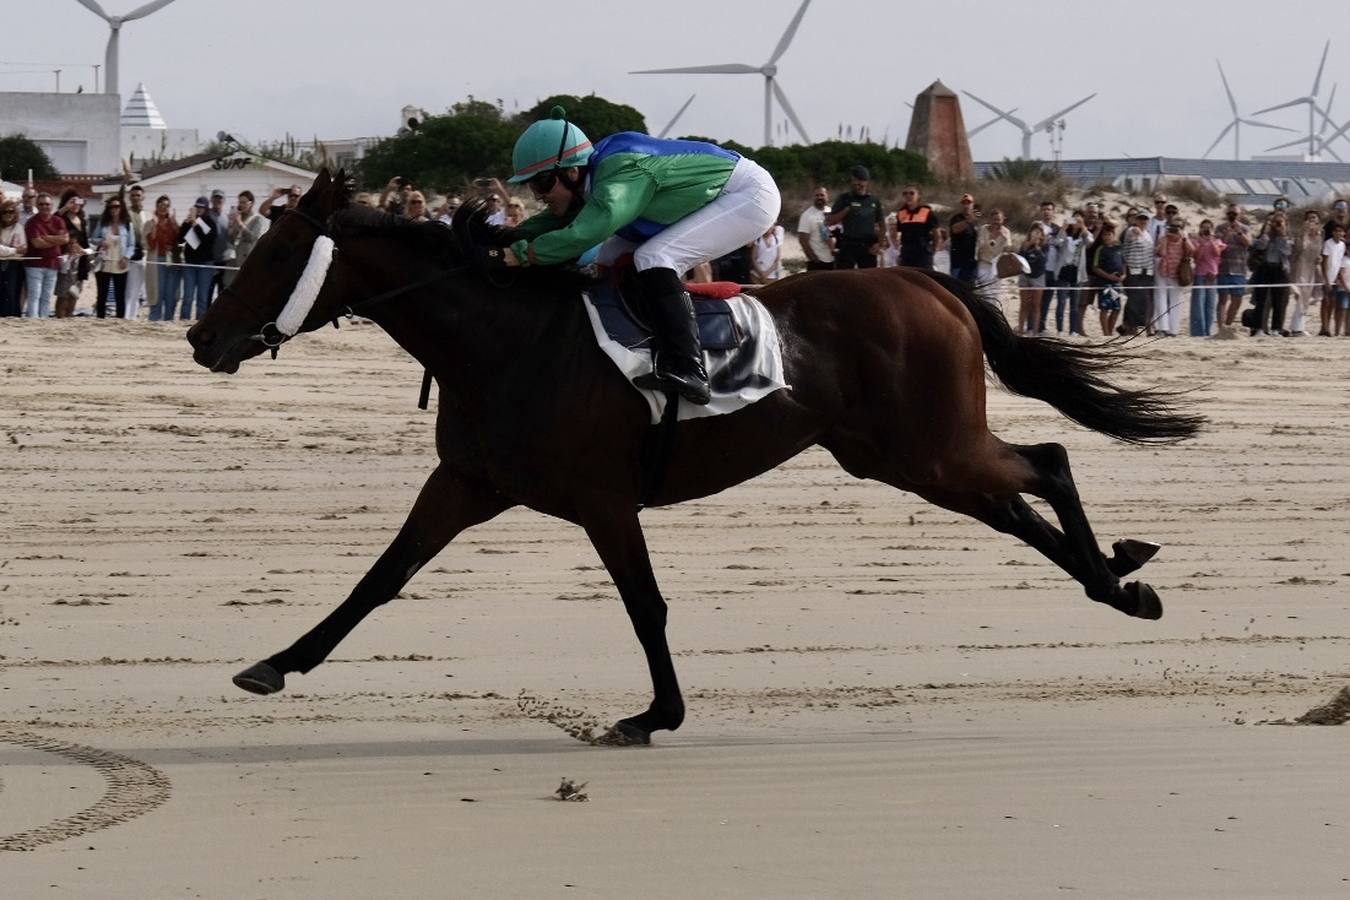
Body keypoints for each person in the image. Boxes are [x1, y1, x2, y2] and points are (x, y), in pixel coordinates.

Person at [500, 106, 780, 405]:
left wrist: (522, 255)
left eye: (542, 183)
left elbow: (585, 233)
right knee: (607, 257)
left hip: (747, 196)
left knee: (655, 257)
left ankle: (689, 368)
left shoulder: (621, 171)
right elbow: (551, 222)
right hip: (715, 194)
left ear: (572, 172)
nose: (537, 194)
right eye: (531, 185)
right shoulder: (590, 180)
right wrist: (498, 238)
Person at [90, 195, 140, 319]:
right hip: (104, 262)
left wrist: (126, 258)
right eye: (111, 207)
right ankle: (100, 320)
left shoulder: (127, 225)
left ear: (121, 208)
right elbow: (93, 239)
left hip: (120, 262)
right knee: (102, 295)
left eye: (117, 206)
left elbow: (131, 244)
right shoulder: (102, 223)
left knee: (120, 295)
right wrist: (102, 242)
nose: (114, 209)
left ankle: (120, 321)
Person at [826, 166, 884, 269]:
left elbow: (882, 224)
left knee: (868, 276)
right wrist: (847, 210)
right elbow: (830, 221)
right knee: (844, 276)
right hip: (849, 244)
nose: (857, 184)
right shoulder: (844, 198)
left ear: (866, 182)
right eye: (854, 181)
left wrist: (879, 243)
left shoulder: (874, 201)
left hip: (868, 245)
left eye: (860, 181)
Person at [22, 193, 70, 318]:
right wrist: (56, 240)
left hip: (53, 264)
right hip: (34, 265)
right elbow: (37, 244)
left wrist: (47, 237)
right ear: (37, 205)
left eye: (47, 204)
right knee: (34, 295)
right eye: (41, 204)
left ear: (52, 205)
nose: (44, 206)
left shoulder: (58, 221)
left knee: (47, 296)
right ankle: (33, 320)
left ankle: (43, 320)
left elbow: (65, 239)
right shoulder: (32, 222)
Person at [1249, 213, 1292, 336]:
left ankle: (1277, 328)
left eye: (1280, 222)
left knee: (1280, 300)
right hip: (1265, 267)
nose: (1277, 225)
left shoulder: (1288, 237)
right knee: (1262, 299)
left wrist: (1282, 235)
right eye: (1275, 222)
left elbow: (1287, 251)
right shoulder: (1265, 236)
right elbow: (1260, 246)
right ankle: (1259, 328)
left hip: (1280, 269)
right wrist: (1267, 233)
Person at [1152, 217, 1192, 337]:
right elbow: (1161, 253)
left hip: (1177, 272)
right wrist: (1165, 237)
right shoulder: (1164, 237)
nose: (1175, 229)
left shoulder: (1184, 238)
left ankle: (1173, 330)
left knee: (1176, 300)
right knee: (1160, 298)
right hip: (1163, 270)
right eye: (1173, 226)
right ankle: (1162, 327)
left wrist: (1183, 238)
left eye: (1178, 227)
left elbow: (1191, 251)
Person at [1055, 211, 1093, 336]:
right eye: (1074, 220)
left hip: (1077, 272)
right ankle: (1060, 330)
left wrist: (1084, 228)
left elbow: (1089, 242)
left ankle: (1073, 330)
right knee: (1061, 302)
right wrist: (1063, 228)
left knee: (1074, 304)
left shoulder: (1084, 234)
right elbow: (1058, 242)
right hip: (1063, 269)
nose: (1076, 222)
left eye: (1079, 220)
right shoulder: (1065, 233)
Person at [178, 197, 216, 320]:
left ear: (206, 209)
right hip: (190, 263)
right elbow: (180, 239)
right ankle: (184, 320)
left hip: (205, 264)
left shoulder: (210, 222)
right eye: (197, 207)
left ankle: (199, 321)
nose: (199, 209)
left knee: (202, 297)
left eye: (202, 207)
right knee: (187, 296)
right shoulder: (189, 221)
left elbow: (207, 241)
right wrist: (186, 223)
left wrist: (195, 224)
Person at [1214, 203, 1252, 329]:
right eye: (1229, 213)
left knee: (1237, 299)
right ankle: (1221, 328)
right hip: (1223, 268)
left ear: (1239, 215)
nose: (1232, 216)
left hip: (1239, 269)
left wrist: (1239, 233)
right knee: (1222, 298)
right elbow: (1217, 244)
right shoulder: (1220, 228)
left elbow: (1249, 243)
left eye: (1234, 214)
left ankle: (1228, 324)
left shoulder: (1245, 228)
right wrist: (1227, 234)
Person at [145, 195, 180, 321]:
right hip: (157, 261)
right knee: (157, 292)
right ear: (156, 206)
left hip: (172, 261)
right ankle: (154, 319)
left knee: (171, 293)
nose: (163, 208)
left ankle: (169, 320)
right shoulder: (149, 223)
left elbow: (180, 241)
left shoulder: (173, 222)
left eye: (166, 205)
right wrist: (154, 227)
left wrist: (176, 227)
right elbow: (148, 245)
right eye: (160, 205)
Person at [1188, 219, 1226, 337]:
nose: (1206, 229)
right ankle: (1198, 332)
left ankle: (1208, 331)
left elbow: (1217, 253)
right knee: (1198, 304)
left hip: (1212, 275)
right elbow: (1197, 258)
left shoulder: (1217, 240)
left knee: (1210, 304)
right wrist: (1203, 244)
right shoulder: (1196, 241)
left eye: (1208, 227)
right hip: (1200, 274)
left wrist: (1211, 241)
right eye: (1204, 227)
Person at [1121, 210, 1155, 335]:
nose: (1143, 221)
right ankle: (1130, 326)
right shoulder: (1132, 230)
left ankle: (1144, 326)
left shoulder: (1148, 234)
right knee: (1133, 300)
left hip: (1147, 271)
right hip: (1134, 270)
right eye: (1140, 218)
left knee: (1145, 301)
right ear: (1136, 220)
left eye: (1145, 219)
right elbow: (1132, 237)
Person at [1289, 209, 1322, 336]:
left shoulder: (1319, 236)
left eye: (1314, 217)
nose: (1312, 220)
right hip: (1300, 267)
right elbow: (1300, 249)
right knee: (1301, 295)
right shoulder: (1301, 235)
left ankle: (1299, 326)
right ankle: (1296, 328)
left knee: (1307, 297)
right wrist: (1305, 232)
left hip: (1312, 268)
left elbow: (1318, 252)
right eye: (1310, 218)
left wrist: (1319, 258)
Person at [1088, 222, 1125, 337]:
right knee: (1104, 308)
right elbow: (1095, 267)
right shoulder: (1100, 249)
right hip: (1104, 283)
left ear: (1113, 235)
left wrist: (1124, 275)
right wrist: (1109, 276)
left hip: (1116, 284)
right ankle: (1106, 333)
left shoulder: (1119, 248)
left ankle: (1110, 331)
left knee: (1116, 308)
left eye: (1109, 234)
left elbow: (1124, 264)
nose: (1107, 237)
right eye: (1104, 235)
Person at [225, 190, 267, 288]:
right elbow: (230, 239)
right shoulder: (237, 217)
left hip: (246, 260)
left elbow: (252, 237)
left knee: (244, 287)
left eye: (244, 202)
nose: (241, 205)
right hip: (233, 260)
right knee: (228, 287)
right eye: (240, 202)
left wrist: (240, 224)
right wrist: (231, 225)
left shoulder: (257, 219)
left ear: (251, 203)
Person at [1033, 201, 1061, 332]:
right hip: (1039, 268)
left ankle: (1041, 325)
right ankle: (1031, 326)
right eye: (1044, 209)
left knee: (1047, 300)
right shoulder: (1037, 226)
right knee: (1035, 300)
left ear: (1053, 211)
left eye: (1049, 209)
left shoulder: (1057, 229)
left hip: (1052, 268)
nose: (1046, 212)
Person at [894, 185, 936, 268]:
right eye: (905, 193)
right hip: (907, 254)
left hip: (923, 253)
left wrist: (933, 250)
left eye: (911, 193)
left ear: (918, 195)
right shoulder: (901, 213)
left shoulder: (926, 212)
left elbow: (936, 233)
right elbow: (899, 234)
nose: (908, 196)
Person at [1016, 227, 1048, 335]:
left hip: (1038, 277)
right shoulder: (1025, 244)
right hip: (1025, 276)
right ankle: (1021, 329)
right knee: (1024, 304)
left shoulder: (1044, 246)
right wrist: (1028, 245)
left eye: (1038, 232)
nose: (1036, 234)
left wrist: (1037, 248)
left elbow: (1044, 261)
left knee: (1036, 305)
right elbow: (1019, 258)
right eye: (1034, 232)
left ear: (1041, 235)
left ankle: (1035, 331)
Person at [795, 186, 834, 271]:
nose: (819, 197)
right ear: (813, 197)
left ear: (827, 196)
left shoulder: (831, 212)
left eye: (822, 195)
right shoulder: (807, 215)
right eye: (817, 195)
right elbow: (803, 240)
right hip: (817, 262)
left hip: (833, 260)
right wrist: (813, 259)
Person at [0, 199, 27, 316]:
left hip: (15, 265)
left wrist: (7, 251)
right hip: (1, 263)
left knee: (12, 293)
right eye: (5, 212)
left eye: (11, 212)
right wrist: (14, 250)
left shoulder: (19, 228)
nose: (8, 214)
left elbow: (23, 249)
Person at [1320, 220, 1346, 337]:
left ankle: (1326, 327)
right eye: (1336, 231)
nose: (1338, 233)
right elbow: (1324, 263)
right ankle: (1325, 327)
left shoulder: (1342, 245)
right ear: (1333, 232)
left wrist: (1337, 278)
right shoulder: (1328, 244)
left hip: (1335, 278)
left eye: (1341, 231)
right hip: (1326, 278)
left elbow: (1339, 262)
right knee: (1325, 302)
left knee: (1332, 303)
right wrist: (1326, 280)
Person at [948, 193, 980, 284]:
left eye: (968, 203)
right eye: (964, 203)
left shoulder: (976, 221)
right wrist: (968, 221)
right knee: (956, 286)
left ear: (973, 205)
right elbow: (955, 229)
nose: (966, 206)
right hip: (958, 262)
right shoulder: (956, 218)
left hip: (971, 262)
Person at [975, 209, 1010, 282]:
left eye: (998, 220)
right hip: (984, 263)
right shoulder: (983, 229)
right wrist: (991, 237)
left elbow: (1008, 250)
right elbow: (979, 246)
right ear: (990, 220)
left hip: (997, 266)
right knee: (983, 286)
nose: (996, 222)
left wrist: (1004, 238)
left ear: (1002, 220)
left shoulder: (1006, 232)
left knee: (995, 288)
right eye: (994, 219)